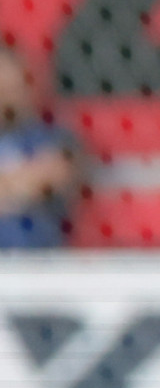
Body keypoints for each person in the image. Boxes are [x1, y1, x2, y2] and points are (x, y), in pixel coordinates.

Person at [0, 50, 84, 249]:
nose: (8, 98)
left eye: (13, 88)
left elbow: (54, 174)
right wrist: (23, 181)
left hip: (36, 262)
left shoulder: (51, 136)